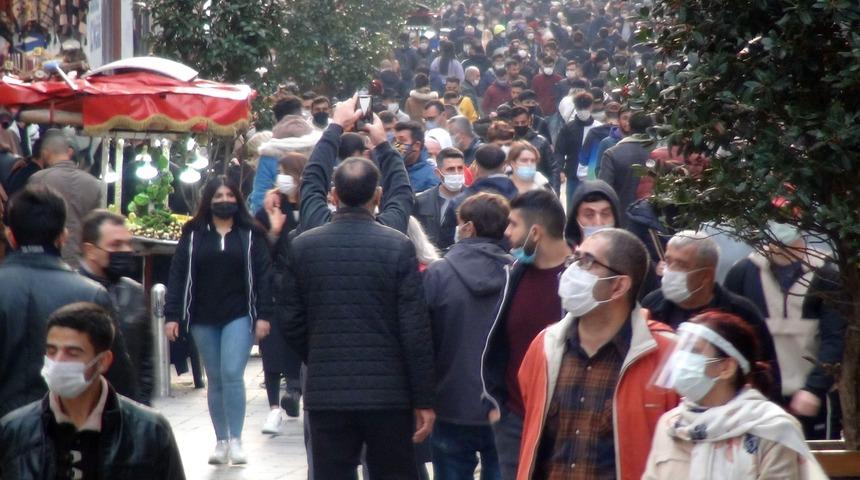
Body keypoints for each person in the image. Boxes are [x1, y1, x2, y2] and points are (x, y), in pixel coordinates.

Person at [281, 155, 436, 479]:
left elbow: (291, 320)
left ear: (333, 196)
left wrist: (319, 352)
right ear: (377, 196)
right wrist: (423, 398)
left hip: (328, 392)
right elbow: (414, 328)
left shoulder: (304, 246)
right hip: (388, 394)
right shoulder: (398, 246)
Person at [516, 228, 680, 480]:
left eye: (587, 261)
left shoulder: (666, 354)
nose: (572, 270)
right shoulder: (545, 346)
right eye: (575, 259)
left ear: (618, 286)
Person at [0, 302, 185, 479]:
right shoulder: (14, 431)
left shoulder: (149, 431)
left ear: (103, 361)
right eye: (52, 351)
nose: (58, 361)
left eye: (72, 352)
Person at [164, 175, 274, 465]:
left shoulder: (252, 234)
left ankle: (236, 439)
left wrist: (264, 315)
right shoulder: (193, 234)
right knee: (215, 377)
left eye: (229, 196)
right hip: (202, 316)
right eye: (218, 196)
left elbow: (264, 276)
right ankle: (221, 439)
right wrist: (172, 315)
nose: (224, 201)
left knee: (231, 373)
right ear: (208, 201)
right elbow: (177, 276)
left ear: (237, 199)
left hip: (239, 314)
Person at [0, 185, 137, 418]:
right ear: (63, 236)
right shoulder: (90, 294)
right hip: (67, 432)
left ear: (10, 236)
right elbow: (119, 379)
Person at [643, 311, 828, 480]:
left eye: (694, 351)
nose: (680, 359)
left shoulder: (773, 429)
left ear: (726, 368)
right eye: (680, 349)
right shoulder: (671, 425)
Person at [480, 190, 572, 480]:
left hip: (565, 422)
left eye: (512, 225)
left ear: (535, 232)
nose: (506, 232)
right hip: (514, 420)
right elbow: (497, 343)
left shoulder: (581, 278)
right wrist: (495, 405)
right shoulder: (515, 274)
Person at [724, 223, 844, 439]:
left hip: (812, 397)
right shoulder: (743, 272)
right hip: (758, 397)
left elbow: (834, 338)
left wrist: (815, 388)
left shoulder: (826, 274)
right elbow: (729, 334)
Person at [424, 192, 512, 480]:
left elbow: (423, 339)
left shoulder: (439, 273)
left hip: (450, 401)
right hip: (504, 405)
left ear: (469, 228)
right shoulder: (517, 273)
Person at [642, 230, 782, 398]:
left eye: (681, 265)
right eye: (668, 261)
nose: (670, 271)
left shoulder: (740, 313)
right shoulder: (652, 305)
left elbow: (766, 375)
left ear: (706, 275)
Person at [299, 96, 414, 235]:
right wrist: (383, 144)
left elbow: (312, 179)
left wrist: (336, 126)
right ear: (378, 196)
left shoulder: (314, 229)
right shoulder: (395, 234)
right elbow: (401, 192)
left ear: (334, 196)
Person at [255, 153, 308, 432]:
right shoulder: (271, 207)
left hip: (305, 286)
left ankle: (296, 390)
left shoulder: (315, 203)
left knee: (297, 342)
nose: (281, 178)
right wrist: (273, 232)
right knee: (273, 345)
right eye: (279, 172)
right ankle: (275, 405)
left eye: (286, 172)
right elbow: (259, 253)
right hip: (277, 288)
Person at [79, 210, 153, 406]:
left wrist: (142, 403)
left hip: (128, 405)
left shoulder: (135, 292)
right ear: (90, 250)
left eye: (128, 243)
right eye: (115, 245)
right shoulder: (72, 292)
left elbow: (146, 358)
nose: (126, 250)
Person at [27, 129, 103, 268]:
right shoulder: (94, 184)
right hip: (84, 261)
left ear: (45, 153)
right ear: (69, 152)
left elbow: (31, 222)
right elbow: (96, 227)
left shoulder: (38, 179)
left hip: (48, 261)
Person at [438, 145, 519, 249]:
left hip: (467, 259)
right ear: (504, 165)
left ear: (476, 166)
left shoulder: (460, 201)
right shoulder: (520, 197)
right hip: (509, 260)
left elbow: (445, 241)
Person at [248, 96, 321, 213]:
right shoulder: (319, 145)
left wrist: (262, 224)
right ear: (301, 115)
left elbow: (260, 196)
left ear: (276, 120)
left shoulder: (269, 151)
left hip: (279, 218)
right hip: (313, 213)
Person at [598, 111, 654, 227]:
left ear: (630, 127)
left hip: (623, 221)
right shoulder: (659, 153)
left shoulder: (612, 154)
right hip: (655, 222)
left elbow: (604, 191)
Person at [554, 92, 600, 212]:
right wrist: (559, 170)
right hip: (573, 176)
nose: (583, 110)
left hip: (593, 177)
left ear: (591, 107)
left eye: (585, 107)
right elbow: (559, 151)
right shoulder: (568, 128)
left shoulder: (599, 128)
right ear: (575, 107)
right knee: (572, 210)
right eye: (580, 107)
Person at [415, 147, 466, 248]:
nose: (456, 173)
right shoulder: (421, 201)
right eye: (450, 169)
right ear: (438, 173)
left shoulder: (476, 199)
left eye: (460, 168)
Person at [509, 106, 558, 191]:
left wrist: (554, 191)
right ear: (511, 123)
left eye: (523, 122)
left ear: (529, 121)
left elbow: (553, 169)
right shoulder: (508, 143)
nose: (520, 125)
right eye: (516, 123)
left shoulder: (541, 141)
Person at [563, 179, 620, 249]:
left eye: (605, 214)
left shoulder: (629, 257)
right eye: (589, 215)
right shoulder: (564, 257)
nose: (598, 223)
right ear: (576, 218)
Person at [394, 120, 441, 193]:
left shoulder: (431, 176)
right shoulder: (391, 169)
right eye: (395, 141)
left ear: (416, 145)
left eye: (402, 141)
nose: (397, 146)